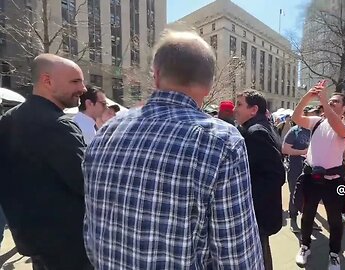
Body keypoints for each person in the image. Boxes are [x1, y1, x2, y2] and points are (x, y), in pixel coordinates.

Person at [83, 30, 263, 269]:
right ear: (208, 86)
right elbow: (237, 253)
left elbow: (91, 231)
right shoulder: (222, 141)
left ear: (156, 75)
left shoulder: (105, 132)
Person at [0, 53, 91, 270]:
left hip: (31, 241)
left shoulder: (8, 120)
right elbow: (87, 183)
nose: (83, 88)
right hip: (70, 247)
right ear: (47, 81)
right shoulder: (59, 125)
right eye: (75, 81)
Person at [292, 80, 345, 269]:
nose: (332, 103)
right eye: (330, 101)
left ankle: (334, 254)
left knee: (335, 221)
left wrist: (325, 102)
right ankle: (305, 246)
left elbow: (340, 130)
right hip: (311, 177)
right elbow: (296, 117)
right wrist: (307, 97)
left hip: (333, 182)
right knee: (307, 215)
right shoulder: (316, 122)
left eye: (336, 102)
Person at [234, 90, 285, 270]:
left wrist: (248, 202)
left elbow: (276, 175)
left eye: (239, 104)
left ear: (253, 109)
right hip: (263, 213)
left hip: (258, 214)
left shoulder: (256, 133)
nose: (235, 109)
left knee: (259, 257)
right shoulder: (261, 127)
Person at [282, 106, 315, 233]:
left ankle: (308, 221)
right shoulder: (295, 131)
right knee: (295, 194)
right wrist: (304, 152)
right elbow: (285, 149)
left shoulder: (315, 131)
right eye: (311, 115)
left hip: (312, 170)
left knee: (310, 196)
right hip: (296, 168)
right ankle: (293, 220)